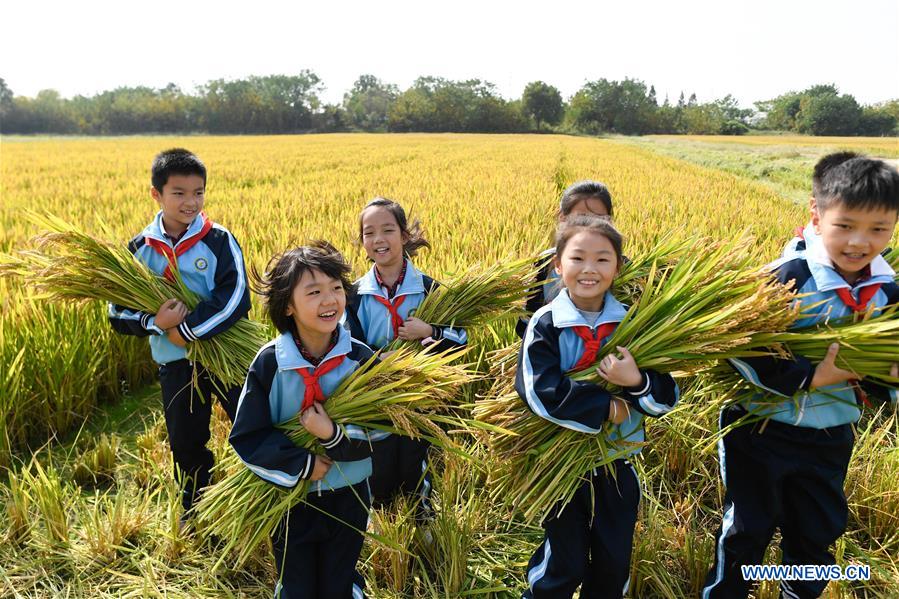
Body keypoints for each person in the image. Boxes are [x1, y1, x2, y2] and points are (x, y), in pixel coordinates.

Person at [704, 156, 899, 599]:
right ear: (816, 214)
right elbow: (743, 347)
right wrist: (811, 378)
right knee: (747, 531)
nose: (859, 242)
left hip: (830, 433)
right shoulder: (783, 280)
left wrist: (889, 375)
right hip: (760, 429)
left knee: (815, 533)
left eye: (878, 229)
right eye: (845, 225)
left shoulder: (888, 292)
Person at [517, 215, 679, 598]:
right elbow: (539, 392)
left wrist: (636, 382)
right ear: (558, 265)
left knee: (613, 561)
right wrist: (607, 407)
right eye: (577, 258)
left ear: (618, 267)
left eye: (603, 259)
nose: (589, 269)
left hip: (618, 462)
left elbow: (667, 396)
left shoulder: (637, 324)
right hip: (559, 465)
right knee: (564, 563)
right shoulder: (545, 323)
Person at [230, 242, 387, 599]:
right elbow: (247, 437)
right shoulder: (269, 364)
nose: (329, 300)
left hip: (348, 495)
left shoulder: (361, 360)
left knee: (339, 582)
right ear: (288, 305)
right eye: (314, 292)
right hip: (290, 500)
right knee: (297, 586)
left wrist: (331, 435)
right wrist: (301, 464)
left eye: (335, 288)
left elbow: (381, 431)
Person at [108, 148, 250, 518]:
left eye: (199, 192)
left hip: (227, 358)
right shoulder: (139, 249)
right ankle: (196, 510)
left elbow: (235, 298)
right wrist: (158, 324)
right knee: (186, 442)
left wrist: (186, 331)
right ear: (156, 194)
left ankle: (265, 497)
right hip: (176, 364)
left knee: (253, 425)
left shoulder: (218, 240)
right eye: (180, 193)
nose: (191, 202)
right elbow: (116, 311)